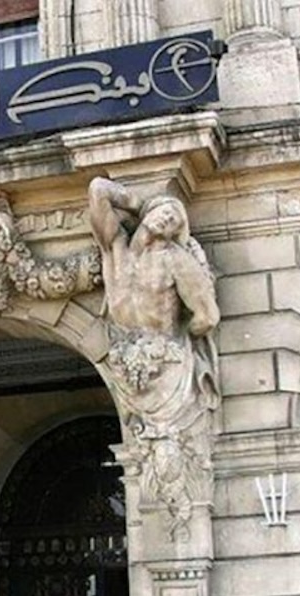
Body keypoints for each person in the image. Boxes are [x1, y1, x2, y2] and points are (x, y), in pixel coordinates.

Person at [87, 177, 220, 434]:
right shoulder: (116, 249)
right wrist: (140, 204)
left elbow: (208, 316)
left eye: (174, 221)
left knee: (172, 447)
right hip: (125, 362)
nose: (167, 219)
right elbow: (98, 189)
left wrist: (175, 339)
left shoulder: (175, 259)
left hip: (165, 365)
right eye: (165, 212)